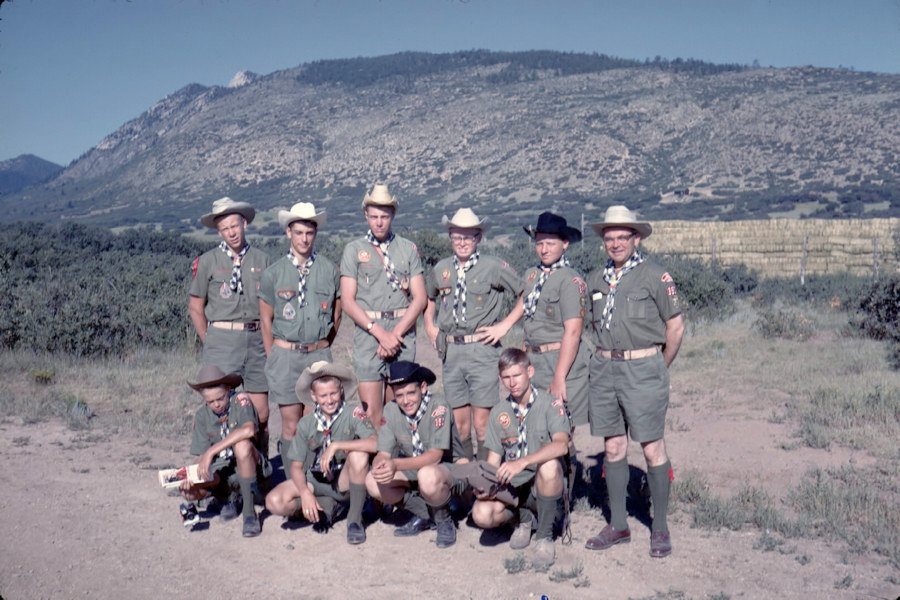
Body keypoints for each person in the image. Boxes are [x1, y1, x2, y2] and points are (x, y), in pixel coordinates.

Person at [583, 205, 685, 558]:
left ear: (635, 238)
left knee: (652, 447)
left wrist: (658, 364)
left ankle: (659, 527)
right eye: (609, 239)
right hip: (605, 370)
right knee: (613, 448)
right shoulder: (596, 280)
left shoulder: (655, 276)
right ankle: (618, 524)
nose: (615, 244)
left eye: (622, 237)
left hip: (644, 370)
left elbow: (675, 327)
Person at [424, 208, 524, 461]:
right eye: (457, 237)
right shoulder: (442, 268)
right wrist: (429, 325)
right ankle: (465, 484)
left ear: (478, 237)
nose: (462, 242)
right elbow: (429, 297)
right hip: (452, 351)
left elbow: (526, 294)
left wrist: (504, 326)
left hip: (482, 349)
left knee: (482, 423)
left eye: (468, 237)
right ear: (450, 237)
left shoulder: (493, 266)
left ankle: (485, 478)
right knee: (459, 424)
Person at [466, 349, 570, 569]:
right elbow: (493, 461)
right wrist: (484, 487)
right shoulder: (499, 412)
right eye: (506, 377)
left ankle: (544, 536)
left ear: (529, 372)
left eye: (517, 375)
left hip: (543, 486)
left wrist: (523, 462)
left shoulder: (550, 405)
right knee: (481, 513)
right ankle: (523, 521)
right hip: (516, 488)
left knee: (549, 465)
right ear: (500, 378)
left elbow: (561, 445)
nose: (512, 382)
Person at [258, 202, 341, 474]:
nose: (304, 239)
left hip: (318, 355)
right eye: (299, 232)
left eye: (309, 232)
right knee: (291, 425)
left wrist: (322, 344)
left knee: (316, 420)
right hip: (285, 357)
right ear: (288, 233)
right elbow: (266, 320)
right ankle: (292, 481)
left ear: (315, 233)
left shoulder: (329, 270)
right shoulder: (273, 273)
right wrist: (275, 355)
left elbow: (336, 317)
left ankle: (314, 480)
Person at [340, 184, 426, 430]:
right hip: (369, 334)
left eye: (384, 216)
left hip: (402, 332)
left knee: (400, 409)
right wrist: (380, 334)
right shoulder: (354, 250)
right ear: (366, 215)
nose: (379, 222)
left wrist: (395, 336)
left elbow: (419, 298)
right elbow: (348, 301)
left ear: (393, 215)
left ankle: (399, 464)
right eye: (374, 216)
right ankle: (374, 464)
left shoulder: (407, 249)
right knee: (371, 413)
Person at [189, 197, 271, 455]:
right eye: (225, 229)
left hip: (256, 340)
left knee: (261, 413)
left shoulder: (263, 259)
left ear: (244, 223)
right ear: (218, 231)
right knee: (221, 409)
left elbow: (271, 306)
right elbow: (195, 307)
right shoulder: (207, 261)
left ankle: (259, 474)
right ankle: (222, 474)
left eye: (235, 226)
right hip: (221, 340)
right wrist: (210, 340)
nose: (231, 232)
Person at [265, 361, 376, 544]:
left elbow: (375, 443)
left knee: (359, 455)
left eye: (333, 393)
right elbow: (296, 466)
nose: (329, 400)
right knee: (274, 501)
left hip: (343, 480)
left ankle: (355, 520)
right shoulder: (306, 423)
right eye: (323, 395)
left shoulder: (352, 413)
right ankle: (324, 506)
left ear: (341, 390)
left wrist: (337, 445)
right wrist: (304, 492)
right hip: (315, 481)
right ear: (313, 396)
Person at [365, 361, 464, 548]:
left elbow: (435, 456)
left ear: (423, 388)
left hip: (449, 469)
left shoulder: (439, 408)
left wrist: (396, 465)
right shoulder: (392, 410)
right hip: (416, 468)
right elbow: (383, 452)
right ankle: (425, 514)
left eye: (411, 393)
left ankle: (444, 520)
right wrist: (380, 464)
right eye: (399, 395)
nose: (405, 401)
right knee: (372, 480)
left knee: (427, 475)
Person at [180, 365, 272, 537]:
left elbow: (248, 430)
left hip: (249, 466)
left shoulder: (240, 401)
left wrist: (211, 452)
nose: (216, 405)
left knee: (242, 445)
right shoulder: (202, 416)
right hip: (221, 473)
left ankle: (249, 513)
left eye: (220, 398)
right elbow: (201, 455)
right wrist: (190, 477)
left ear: (228, 389)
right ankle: (228, 499)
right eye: (210, 401)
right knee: (189, 491)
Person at [519, 212, 591, 427]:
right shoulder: (531, 275)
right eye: (539, 243)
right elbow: (529, 321)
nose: (544, 249)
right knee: (536, 425)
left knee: (563, 428)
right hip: (535, 361)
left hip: (561, 360)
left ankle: (570, 462)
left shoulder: (570, 280)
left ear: (565, 244)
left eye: (550, 243)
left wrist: (559, 377)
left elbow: (573, 331)